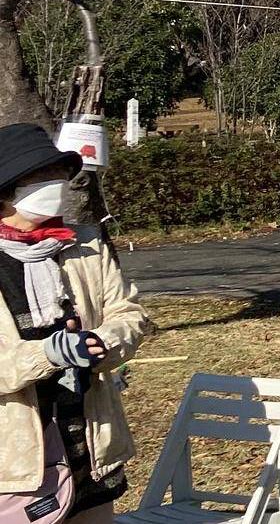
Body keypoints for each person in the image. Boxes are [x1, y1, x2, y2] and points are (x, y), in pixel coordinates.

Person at [0, 124, 150, 524]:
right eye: (38, 180)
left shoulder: (85, 243)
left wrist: (104, 342)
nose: (56, 186)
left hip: (89, 437)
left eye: (58, 176)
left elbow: (129, 312)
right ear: (5, 194)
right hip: (15, 461)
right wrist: (45, 354)